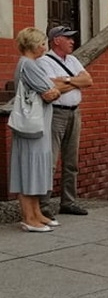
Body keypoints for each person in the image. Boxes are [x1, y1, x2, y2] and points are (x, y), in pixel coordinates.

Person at [10, 28, 62, 232]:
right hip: (32, 128)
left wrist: (55, 87)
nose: (44, 46)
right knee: (29, 170)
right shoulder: (29, 65)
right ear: (33, 45)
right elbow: (49, 92)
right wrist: (56, 88)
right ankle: (28, 217)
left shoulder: (28, 64)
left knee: (35, 170)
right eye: (42, 43)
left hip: (38, 126)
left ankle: (36, 212)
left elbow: (51, 88)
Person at [37, 26, 92, 217]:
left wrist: (65, 80)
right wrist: (74, 81)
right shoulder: (44, 61)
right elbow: (50, 86)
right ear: (56, 40)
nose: (72, 41)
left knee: (71, 161)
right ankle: (43, 205)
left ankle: (68, 202)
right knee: (50, 160)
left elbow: (88, 81)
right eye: (68, 38)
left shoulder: (73, 59)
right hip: (55, 113)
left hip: (74, 113)